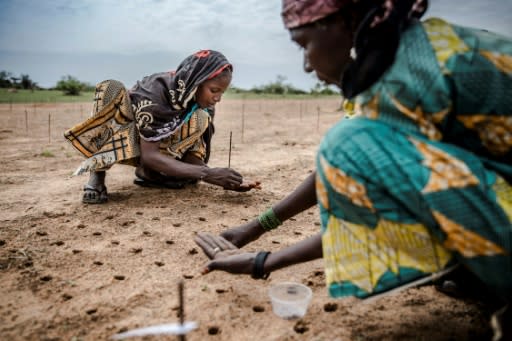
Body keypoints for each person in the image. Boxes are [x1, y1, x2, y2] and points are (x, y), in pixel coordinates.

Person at [194, 0, 511, 338]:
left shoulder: (409, 79)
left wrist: (265, 262)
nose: (306, 65)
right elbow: (343, 168)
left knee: (345, 142)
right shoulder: (401, 59)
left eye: (305, 45)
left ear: (346, 23)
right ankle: (476, 270)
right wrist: (257, 228)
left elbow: (362, 179)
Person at [64, 50, 260, 204]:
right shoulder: (156, 94)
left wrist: (224, 179)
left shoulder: (199, 105)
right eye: (214, 90)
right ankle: (97, 177)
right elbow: (150, 155)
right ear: (195, 82)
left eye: (222, 92)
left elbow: (193, 152)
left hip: (157, 149)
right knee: (110, 88)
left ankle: (150, 175)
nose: (218, 98)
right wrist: (208, 175)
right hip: (126, 139)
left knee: (202, 116)